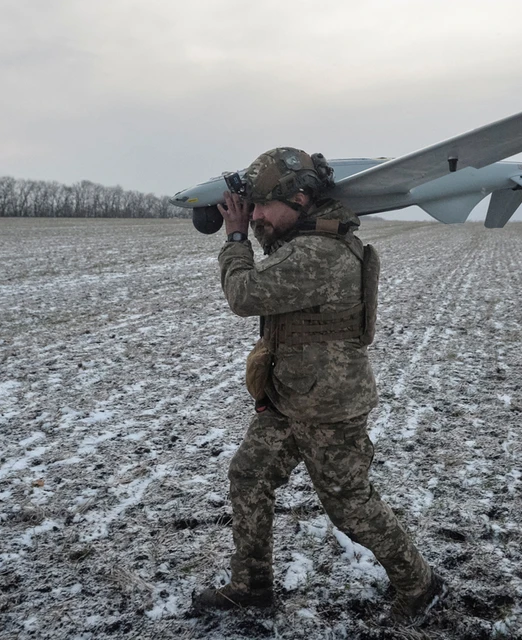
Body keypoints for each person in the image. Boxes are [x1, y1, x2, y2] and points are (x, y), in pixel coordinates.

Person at [190, 148, 445, 625]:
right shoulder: (307, 237)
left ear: (302, 197)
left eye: (263, 205)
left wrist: (237, 237)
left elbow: (245, 294)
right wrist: (255, 223)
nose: (256, 214)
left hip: (329, 404)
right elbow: (275, 258)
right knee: (250, 475)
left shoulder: (319, 253)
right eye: (253, 207)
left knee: (351, 508)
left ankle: (422, 586)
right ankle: (252, 586)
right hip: (290, 396)